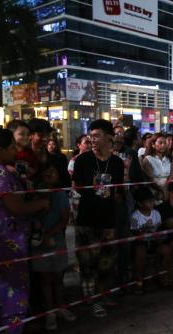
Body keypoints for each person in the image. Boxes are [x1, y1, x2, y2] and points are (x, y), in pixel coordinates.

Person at [0, 128, 49, 334]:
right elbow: (15, 207)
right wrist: (41, 204)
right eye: (11, 148)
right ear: (0, 149)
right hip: (9, 239)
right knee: (14, 286)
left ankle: (11, 329)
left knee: (2, 285)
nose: (15, 152)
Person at [72, 119, 124, 318]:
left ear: (109, 137)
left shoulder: (117, 162)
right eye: (90, 136)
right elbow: (76, 186)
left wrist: (109, 196)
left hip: (108, 219)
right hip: (86, 218)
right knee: (87, 262)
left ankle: (103, 295)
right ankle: (91, 300)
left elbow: (118, 190)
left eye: (96, 136)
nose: (92, 140)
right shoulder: (83, 160)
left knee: (107, 261)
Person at [31, 164, 75, 330]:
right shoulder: (34, 194)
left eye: (53, 171)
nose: (49, 173)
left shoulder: (60, 195)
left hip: (56, 240)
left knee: (57, 278)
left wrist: (49, 234)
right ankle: (49, 312)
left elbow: (64, 219)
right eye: (46, 171)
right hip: (38, 242)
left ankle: (61, 307)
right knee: (45, 280)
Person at [130, 186, 171, 292]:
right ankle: (139, 280)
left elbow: (159, 230)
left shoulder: (156, 214)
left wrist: (157, 236)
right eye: (148, 201)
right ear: (140, 203)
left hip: (154, 241)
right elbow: (135, 235)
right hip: (141, 242)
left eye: (152, 201)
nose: (152, 203)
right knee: (140, 252)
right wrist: (145, 229)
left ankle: (162, 275)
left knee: (166, 250)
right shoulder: (134, 216)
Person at [28, 118, 70, 188]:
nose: (45, 138)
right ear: (30, 136)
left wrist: (56, 180)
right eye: (41, 135)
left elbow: (67, 184)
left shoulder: (59, 159)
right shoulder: (22, 159)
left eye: (47, 135)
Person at [7, 120, 37, 188]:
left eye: (28, 134)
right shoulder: (6, 153)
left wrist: (31, 171)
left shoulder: (30, 153)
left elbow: (34, 170)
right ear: (11, 135)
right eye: (22, 134)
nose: (26, 137)